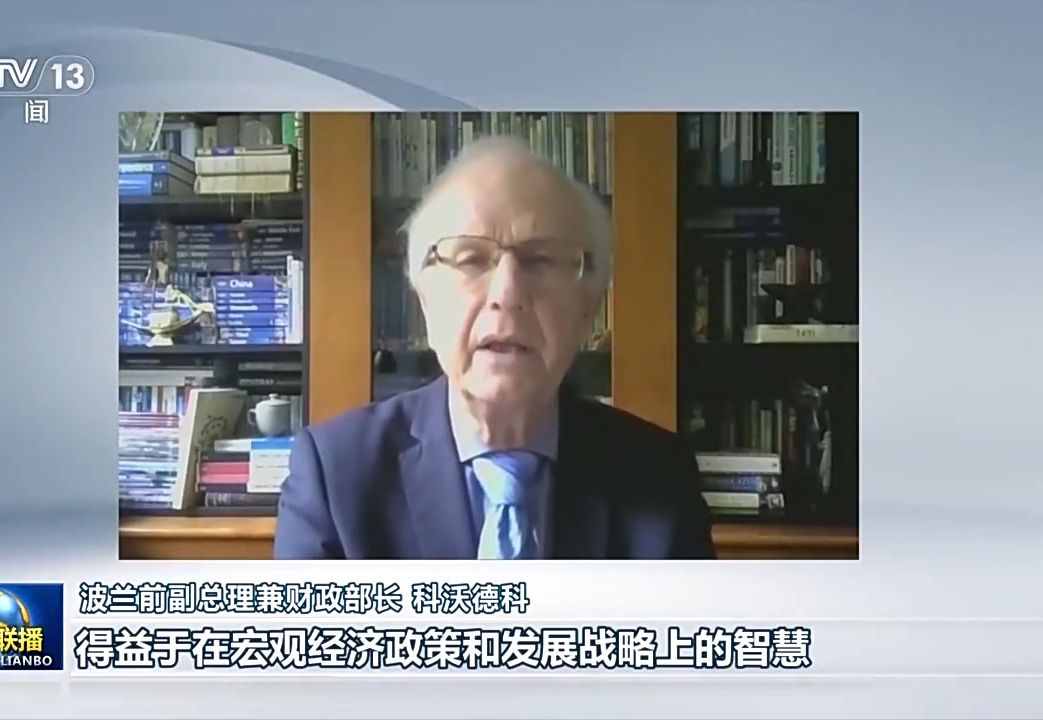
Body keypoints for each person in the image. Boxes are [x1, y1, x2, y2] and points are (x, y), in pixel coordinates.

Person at [274, 137, 715, 560]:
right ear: (425, 299)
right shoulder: (335, 472)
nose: (507, 293)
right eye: (470, 259)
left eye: (541, 260)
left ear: (589, 306)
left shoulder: (660, 477)